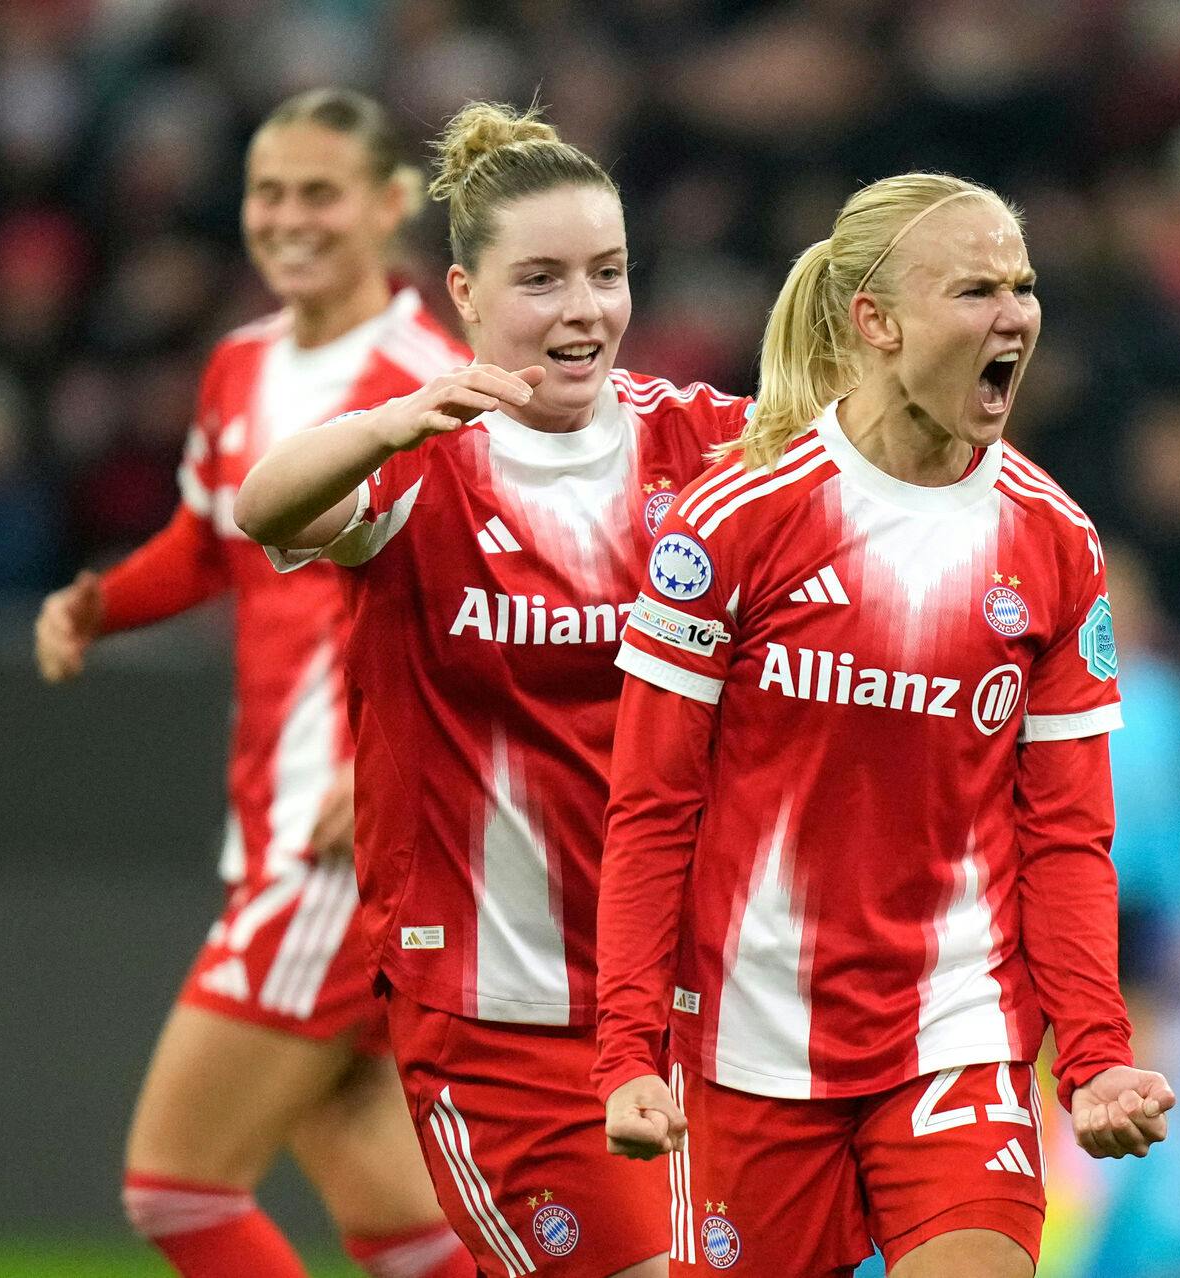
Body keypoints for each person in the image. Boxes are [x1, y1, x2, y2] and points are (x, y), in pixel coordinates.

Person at [593, 172, 1176, 1278]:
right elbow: (652, 808)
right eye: (974, 290)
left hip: (958, 1033)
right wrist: (628, 1049)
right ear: (876, 321)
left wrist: (1093, 1056)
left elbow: (1063, 838)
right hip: (746, 1043)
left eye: (1024, 286)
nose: (1014, 316)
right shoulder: (735, 520)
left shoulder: (1053, 542)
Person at [234, 102, 751, 1278]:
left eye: (609, 273)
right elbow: (266, 507)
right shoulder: (420, 460)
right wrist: (392, 422)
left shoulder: (703, 445)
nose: (585, 310)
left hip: (684, 1004)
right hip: (496, 1009)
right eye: (544, 279)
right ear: (464, 294)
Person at [32, 90, 473, 1278]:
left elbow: (478, 605)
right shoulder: (240, 365)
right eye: (269, 192)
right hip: (278, 821)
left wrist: (392, 762)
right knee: (388, 1198)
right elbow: (207, 538)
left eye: (320, 192)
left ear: (389, 205)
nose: (289, 218)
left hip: (344, 833)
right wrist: (103, 603)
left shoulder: (426, 382)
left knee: (176, 1187)